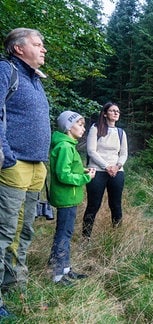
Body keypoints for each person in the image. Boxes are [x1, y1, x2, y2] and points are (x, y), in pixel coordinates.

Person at [0, 28, 50, 318]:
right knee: (5, 230)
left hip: (36, 167)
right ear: (19, 48)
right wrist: (5, 152)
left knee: (25, 229)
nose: (43, 49)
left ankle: (15, 282)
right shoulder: (6, 70)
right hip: (14, 164)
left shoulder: (35, 80)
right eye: (37, 44)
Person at [49, 111, 96, 286]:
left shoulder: (68, 145)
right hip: (66, 198)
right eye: (80, 124)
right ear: (69, 127)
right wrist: (86, 178)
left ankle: (65, 269)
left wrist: (82, 170)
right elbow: (63, 175)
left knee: (65, 233)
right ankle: (58, 275)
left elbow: (68, 168)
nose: (83, 128)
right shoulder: (65, 147)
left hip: (69, 198)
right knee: (64, 234)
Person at [82, 102, 128, 240]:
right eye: (112, 110)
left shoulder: (121, 132)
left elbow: (124, 153)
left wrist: (117, 166)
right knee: (93, 205)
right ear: (105, 113)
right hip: (97, 171)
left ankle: (116, 236)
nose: (115, 113)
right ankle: (86, 237)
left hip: (117, 172)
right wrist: (107, 166)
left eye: (118, 111)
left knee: (116, 205)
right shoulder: (96, 128)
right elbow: (91, 151)